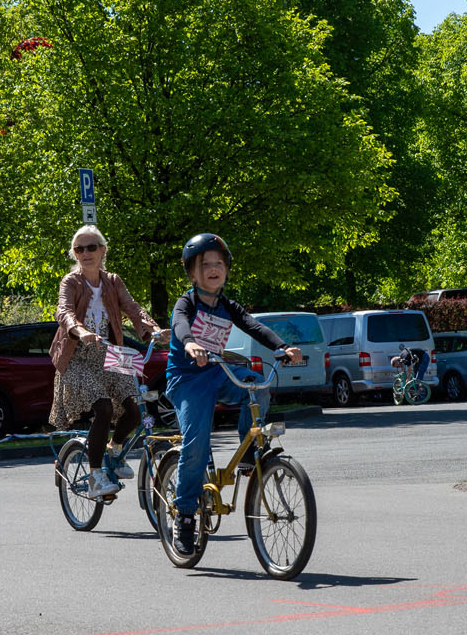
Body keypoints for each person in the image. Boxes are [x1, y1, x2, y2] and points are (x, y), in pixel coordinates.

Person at [165, 233, 302, 556]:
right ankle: (184, 514)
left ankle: (249, 455)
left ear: (226, 270)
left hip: (217, 371)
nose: (213, 269)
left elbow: (254, 326)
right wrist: (189, 343)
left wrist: (282, 347)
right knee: (197, 443)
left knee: (257, 384)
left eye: (219, 264)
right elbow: (180, 324)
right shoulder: (188, 302)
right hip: (186, 379)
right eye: (205, 265)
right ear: (192, 273)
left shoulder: (227, 305)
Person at [48, 225, 165, 498]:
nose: (86, 253)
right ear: (74, 254)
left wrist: (153, 330)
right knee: (102, 408)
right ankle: (96, 475)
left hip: (110, 353)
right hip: (76, 356)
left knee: (134, 410)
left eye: (91, 247)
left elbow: (133, 308)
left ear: (103, 250)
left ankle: (114, 450)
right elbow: (63, 311)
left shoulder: (113, 281)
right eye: (79, 249)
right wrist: (81, 331)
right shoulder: (71, 282)